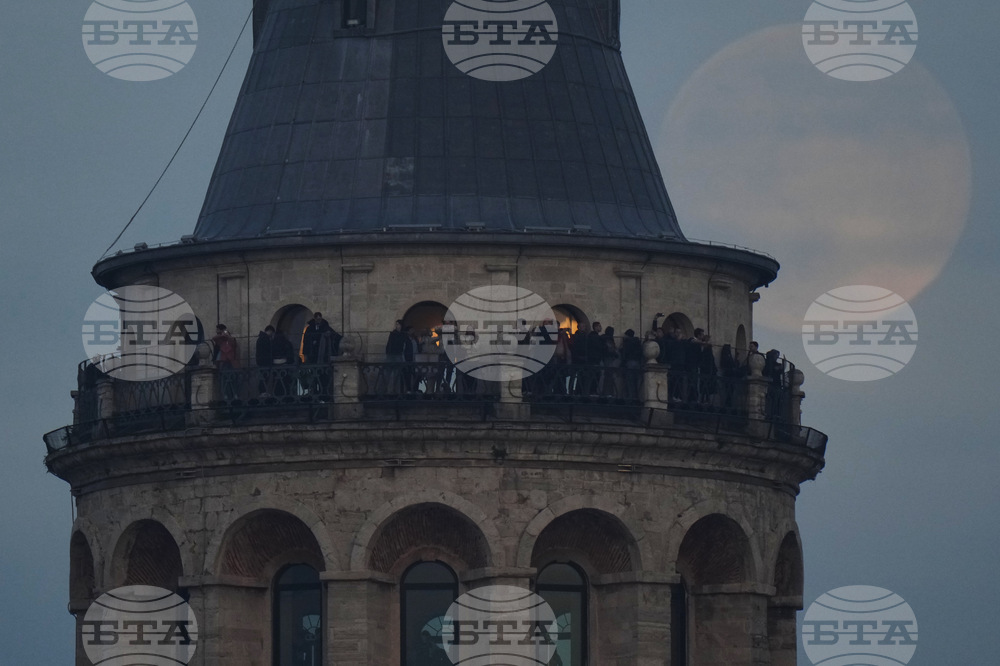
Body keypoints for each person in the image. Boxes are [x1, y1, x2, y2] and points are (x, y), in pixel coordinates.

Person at [212, 324, 240, 400]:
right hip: (224, 361)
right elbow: (214, 338)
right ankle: (226, 396)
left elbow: (234, 344)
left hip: (230, 361)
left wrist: (226, 335)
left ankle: (234, 395)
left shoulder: (230, 340)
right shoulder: (221, 340)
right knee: (224, 380)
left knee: (232, 380)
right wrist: (222, 335)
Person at [620, 328, 643, 400]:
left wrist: (622, 363)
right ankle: (636, 397)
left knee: (629, 381)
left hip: (629, 362)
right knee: (636, 381)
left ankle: (630, 398)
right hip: (637, 363)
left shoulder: (627, 342)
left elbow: (625, 353)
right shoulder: (637, 342)